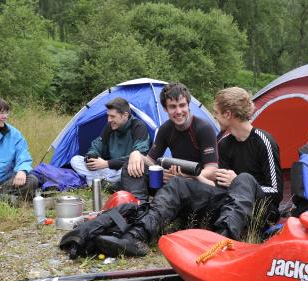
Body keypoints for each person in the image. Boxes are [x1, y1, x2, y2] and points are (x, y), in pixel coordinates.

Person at [96, 87, 283, 257]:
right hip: (229, 207)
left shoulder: (263, 141)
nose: (215, 117)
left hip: (258, 210)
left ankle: (220, 247)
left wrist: (239, 182)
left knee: (244, 179)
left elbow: (276, 193)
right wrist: (193, 177)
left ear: (228, 114)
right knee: (178, 184)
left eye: (216, 113)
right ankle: (136, 234)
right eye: (172, 107)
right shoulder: (224, 143)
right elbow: (216, 186)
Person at [121, 82, 218, 202]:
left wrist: (185, 176)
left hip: (196, 184)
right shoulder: (166, 129)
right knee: (131, 165)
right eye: (173, 106)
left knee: (178, 182)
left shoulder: (203, 128)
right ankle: (139, 206)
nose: (178, 111)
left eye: (182, 105)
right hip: (173, 180)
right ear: (165, 109)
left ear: (188, 105)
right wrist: (136, 154)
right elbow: (150, 162)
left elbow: (212, 170)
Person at [70, 97, 150, 186]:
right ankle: (102, 181)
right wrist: (90, 158)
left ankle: (96, 181)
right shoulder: (110, 126)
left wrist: (106, 163)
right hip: (108, 169)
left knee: (132, 170)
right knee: (75, 160)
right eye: (108, 115)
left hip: (124, 169)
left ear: (125, 115)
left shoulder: (138, 127)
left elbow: (141, 155)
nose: (109, 120)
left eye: (112, 116)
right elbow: (96, 146)